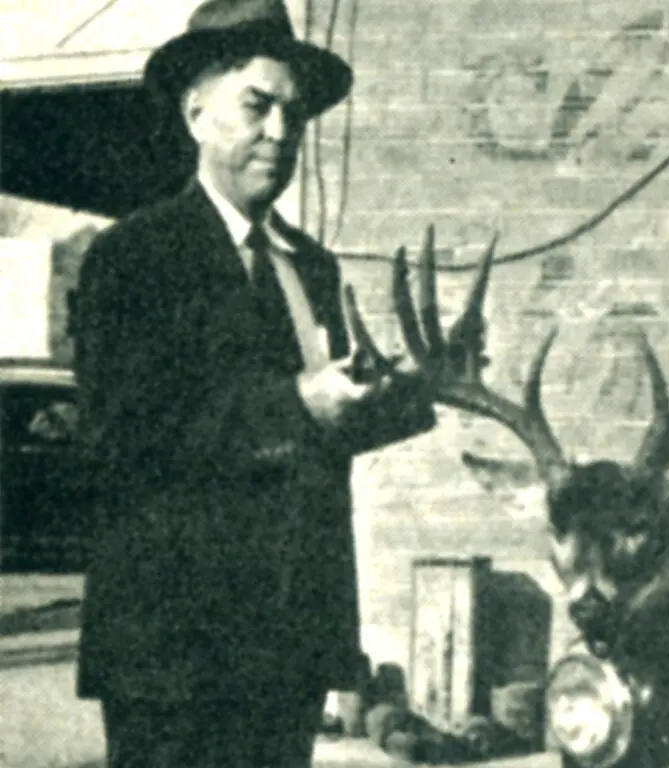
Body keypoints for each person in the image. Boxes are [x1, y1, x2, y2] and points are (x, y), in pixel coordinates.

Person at [71, 0, 438, 765]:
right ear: (196, 111)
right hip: (172, 661)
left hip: (285, 653)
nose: (280, 132)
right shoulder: (133, 257)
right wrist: (297, 402)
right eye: (258, 105)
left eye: (294, 116)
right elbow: (123, 437)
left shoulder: (310, 267)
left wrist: (404, 397)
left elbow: (315, 438)